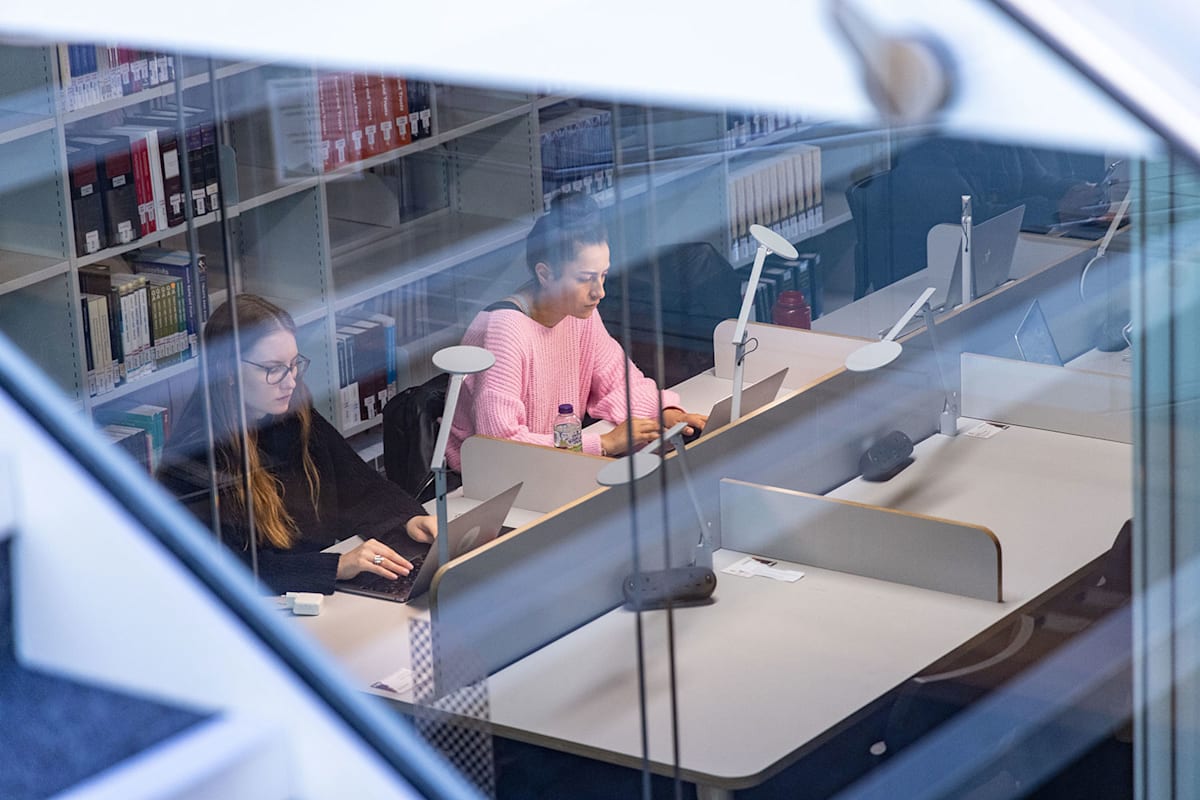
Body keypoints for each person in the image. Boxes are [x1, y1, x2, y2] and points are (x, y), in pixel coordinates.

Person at [158, 294, 437, 595]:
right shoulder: (193, 456)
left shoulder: (293, 414)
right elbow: (223, 569)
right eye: (273, 369)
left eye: (293, 365)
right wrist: (337, 566)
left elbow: (359, 487)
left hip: (314, 594)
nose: (290, 382)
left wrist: (409, 519)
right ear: (226, 371)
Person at [445, 191, 707, 470]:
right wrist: (603, 444)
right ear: (545, 275)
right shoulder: (504, 330)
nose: (600, 292)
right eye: (585, 279)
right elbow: (501, 444)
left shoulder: (579, 313)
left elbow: (618, 382)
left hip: (553, 464)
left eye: (603, 275)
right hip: (485, 479)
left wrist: (663, 414)